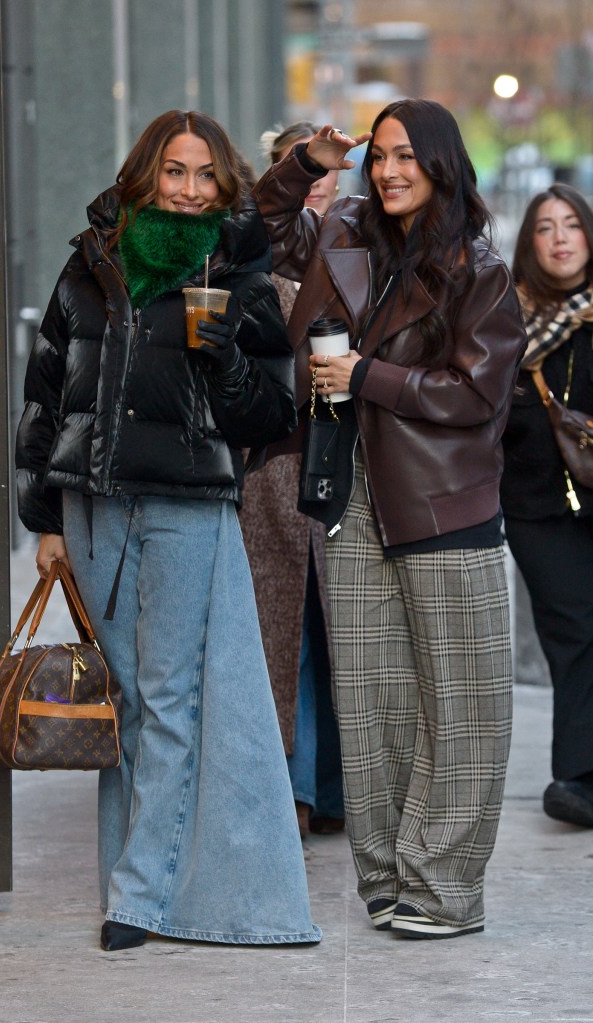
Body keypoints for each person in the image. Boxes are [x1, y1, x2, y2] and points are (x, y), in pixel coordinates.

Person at [15, 109, 321, 951]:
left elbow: (268, 412)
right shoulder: (91, 261)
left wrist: (224, 355)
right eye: (174, 172)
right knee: (123, 701)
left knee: (170, 699)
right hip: (92, 502)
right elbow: (48, 387)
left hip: (186, 502)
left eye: (205, 176)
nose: (188, 191)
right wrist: (43, 514)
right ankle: (142, 874)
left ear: (225, 187)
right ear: (144, 174)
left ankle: (138, 897)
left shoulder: (239, 268)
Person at [253, 99, 527, 938]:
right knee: (371, 701)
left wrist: (367, 378)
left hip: (444, 501)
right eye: (380, 157)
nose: (389, 171)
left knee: (461, 706)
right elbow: (259, 223)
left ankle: (445, 890)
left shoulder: (477, 268)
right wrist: (308, 160)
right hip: (349, 494)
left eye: (407, 157)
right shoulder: (341, 235)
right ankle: (388, 879)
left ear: (441, 163)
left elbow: (477, 394)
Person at [238, 121, 344, 839]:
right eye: (299, 172)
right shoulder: (274, 243)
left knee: (344, 637)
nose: (316, 184)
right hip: (275, 462)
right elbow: (267, 216)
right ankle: (295, 791)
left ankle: (331, 789)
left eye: (326, 173)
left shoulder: (361, 244)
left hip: (349, 461)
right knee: (287, 639)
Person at [500, 183, 593, 828]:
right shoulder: (505, 322)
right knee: (573, 630)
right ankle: (577, 777)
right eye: (544, 228)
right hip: (536, 507)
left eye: (572, 225)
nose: (560, 238)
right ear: (529, 243)